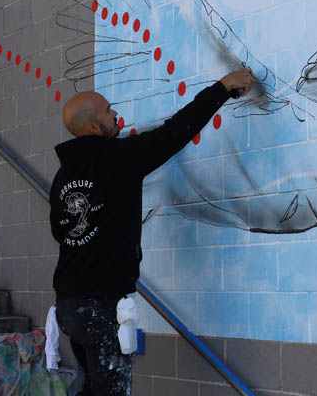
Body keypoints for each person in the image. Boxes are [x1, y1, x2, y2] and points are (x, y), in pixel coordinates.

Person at [50, 67, 256, 395]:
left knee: (91, 388)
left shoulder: (63, 176)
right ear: (93, 127)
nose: (115, 113)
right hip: (99, 306)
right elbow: (175, 132)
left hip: (69, 304)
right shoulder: (118, 158)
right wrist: (223, 86)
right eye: (108, 110)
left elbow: (60, 232)